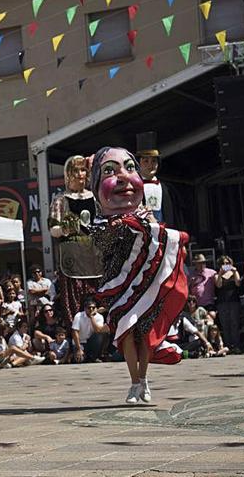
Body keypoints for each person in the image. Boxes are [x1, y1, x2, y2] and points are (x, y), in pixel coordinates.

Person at [90, 146, 189, 404]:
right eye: (110, 171)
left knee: (143, 332)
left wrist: (148, 226)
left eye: (130, 168)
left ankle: (142, 380)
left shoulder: (146, 216)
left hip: (146, 283)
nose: (123, 177)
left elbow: (162, 241)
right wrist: (122, 226)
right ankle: (134, 382)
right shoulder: (101, 222)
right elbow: (101, 245)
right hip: (118, 283)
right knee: (126, 331)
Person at [50, 155, 100, 325]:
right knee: (74, 304)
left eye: (83, 170)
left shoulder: (95, 197)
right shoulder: (60, 200)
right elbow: (53, 229)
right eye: (76, 170)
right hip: (72, 261)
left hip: (94, 259)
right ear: (68, 175)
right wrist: (65, 228)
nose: (80, 174)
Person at [136, 148, 178, 226]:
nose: (150, 165)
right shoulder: (134, 188)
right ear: (138, 164)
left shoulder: (167, 188)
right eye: (146, 161)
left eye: (154, 161)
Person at [214, 255, 242, 353]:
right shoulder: (217, 275)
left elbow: (238, 283)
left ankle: (236, 345)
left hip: (234, 300)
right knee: (225, 324)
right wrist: (221, 273)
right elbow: (218, 285)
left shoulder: (234, 272)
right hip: (222, 302)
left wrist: (234, 272)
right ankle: (228, 345)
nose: (225, 265)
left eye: (227, 263)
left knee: (235, 323)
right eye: (223, 263)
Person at [71, 298, 110, 363]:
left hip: (92, 342)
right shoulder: (78, 316)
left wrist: (92, 317)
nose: (91, 309)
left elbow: (98, 330)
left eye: (93, 308)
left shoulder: (99, 317)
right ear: (85, 308)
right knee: (80, 360)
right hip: (80, 343)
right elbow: (75, 332)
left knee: (101, 334)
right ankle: (82, 356)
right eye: (89, 308)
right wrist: (79, 349)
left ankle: (96, 356)